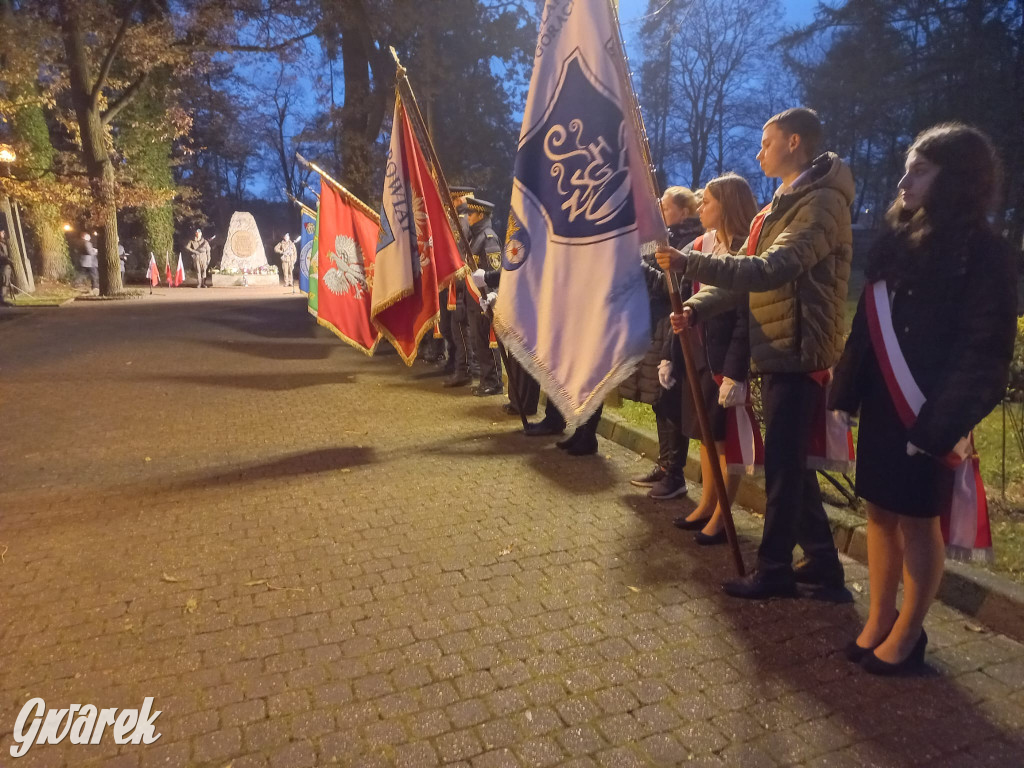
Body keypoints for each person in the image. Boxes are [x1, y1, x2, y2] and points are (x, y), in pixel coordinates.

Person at [829, 124, 1018, 674]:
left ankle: (910, 632)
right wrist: (846, 391)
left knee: (917, 522)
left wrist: (940, 426)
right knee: (879, 515)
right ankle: (880, 616)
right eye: (908, 167)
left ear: (955, 179)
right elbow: (869, 325)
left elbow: (985, 351)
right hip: (886, 405)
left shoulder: (986, 253)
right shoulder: (896, 239)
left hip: (928, 413)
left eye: (921, 169)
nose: (904, 179)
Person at [657, 107, 854, 600]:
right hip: (780, 348)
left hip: (798, 351)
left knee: (785, 470)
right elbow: (745, 269)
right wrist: (698, 309)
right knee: (793, 465)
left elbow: (772, 268)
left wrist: (690, 260)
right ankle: (825, 568)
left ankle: (774, 570)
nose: (758, 152)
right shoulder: (782, 204)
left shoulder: (822, 203)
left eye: (766, 143)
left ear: (793, 142)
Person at [666, 174, 759, 543]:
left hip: (724, 356)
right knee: (705, 435)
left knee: (723, 440)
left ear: (727, 205)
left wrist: (736, 370)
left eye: (707, 201)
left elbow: (743, 313)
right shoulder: (702, 243)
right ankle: (707, 503)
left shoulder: (743, 248)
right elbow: (671, 279)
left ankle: (722, 515)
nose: (701, 207)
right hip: (699, 351)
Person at [626, 186, 703, 497]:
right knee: (660, 400)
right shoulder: (665, 238)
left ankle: (675, 474)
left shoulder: (687, 243)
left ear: (683, 212)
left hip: (672, 326)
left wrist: (640, 268)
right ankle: (664, 465)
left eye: (666, 209)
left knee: (670, 399)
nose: (660, 214)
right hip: (658, 324)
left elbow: (671, 287)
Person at [463, 197, 503, 397]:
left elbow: (495, 270)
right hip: (474, 299)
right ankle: (486, 380)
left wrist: (493, 295)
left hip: (485, 300)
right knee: (478, 342)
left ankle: (494, 382)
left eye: (470, 214)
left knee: (489, 342)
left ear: (480, 215)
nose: (467, 217)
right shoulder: (474, 236)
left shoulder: (488, 238)